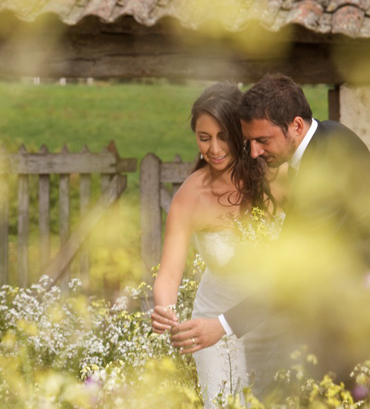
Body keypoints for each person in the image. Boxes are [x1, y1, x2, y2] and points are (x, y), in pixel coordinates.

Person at [171, 73, 370, 392]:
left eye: (263, 140)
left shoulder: (324, 170)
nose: (253, 152)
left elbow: (294, 269)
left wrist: (222, 326)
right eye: (249, 141)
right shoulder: (329, 136)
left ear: (296, 125)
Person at [151, 82, 287, 407]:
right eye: (204, 137)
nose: (214, 148)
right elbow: (169, 274)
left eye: (223, 135)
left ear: (240, 133)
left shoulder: (277, 180)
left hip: (274, 318)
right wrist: (164, 309)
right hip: (213, 326)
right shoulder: (189, 197)